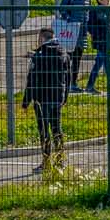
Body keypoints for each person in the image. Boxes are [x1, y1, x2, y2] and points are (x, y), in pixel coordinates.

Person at [23, 27, 72, 172]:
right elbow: (68, 78)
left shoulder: (38, 57)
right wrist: (65, 97)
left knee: (44, 131)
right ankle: (60, 161)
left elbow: (31, 80)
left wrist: (26, 101)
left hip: (41, 99)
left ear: (42, 39)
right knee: (57, 128)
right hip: (57, 97)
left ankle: (46, 163)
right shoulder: (63, 54)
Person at [58, 0, 95, 85]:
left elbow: (88, 14)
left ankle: (73, 82)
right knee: (67, 59)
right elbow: (62, 9)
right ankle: (64, 82)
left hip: (82, 34)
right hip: (71, 33)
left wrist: (89, 30)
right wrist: (69, 20)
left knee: (77, 59)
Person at [79, 0, 110, 94]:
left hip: (106, 41)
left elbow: (109, 28)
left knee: (105, 64)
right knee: (102, 63)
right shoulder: (96, 11)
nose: (108, 1)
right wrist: (97, 35)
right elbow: (91, 26)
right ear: (100, 0)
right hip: (101, 41)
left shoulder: (107, 11)